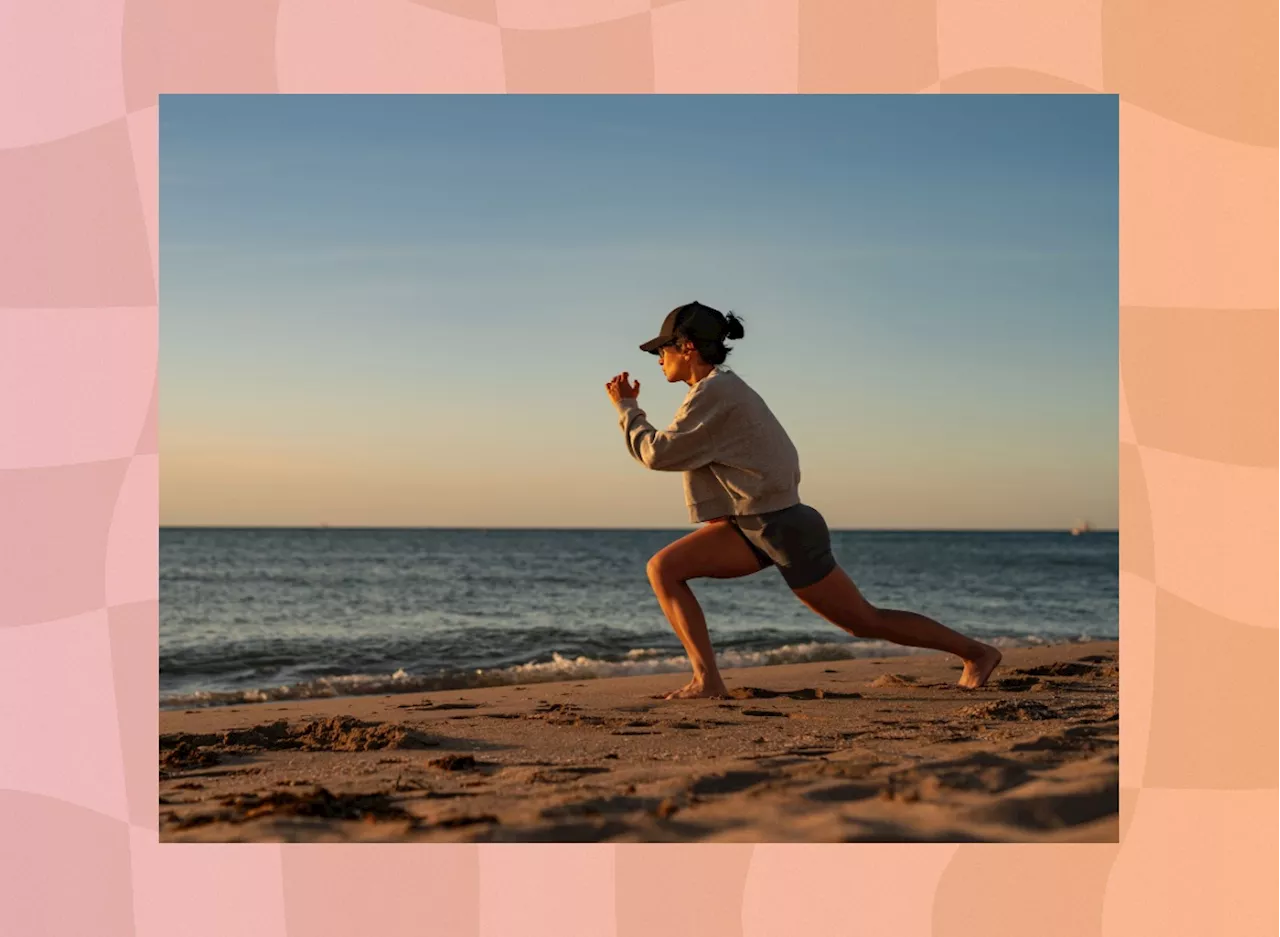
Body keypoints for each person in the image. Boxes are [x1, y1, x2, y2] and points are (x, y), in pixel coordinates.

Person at [605, 301, 1003, 700]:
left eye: (663, 350)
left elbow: (659, 454)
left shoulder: (716, 392)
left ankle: (977, 653)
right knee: (665, 568)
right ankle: (707, 680)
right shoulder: (719, 390)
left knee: (864, 621)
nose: (659, 360)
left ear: (687, 347)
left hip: (780, 527)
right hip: (754, 525)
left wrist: (627, 408)